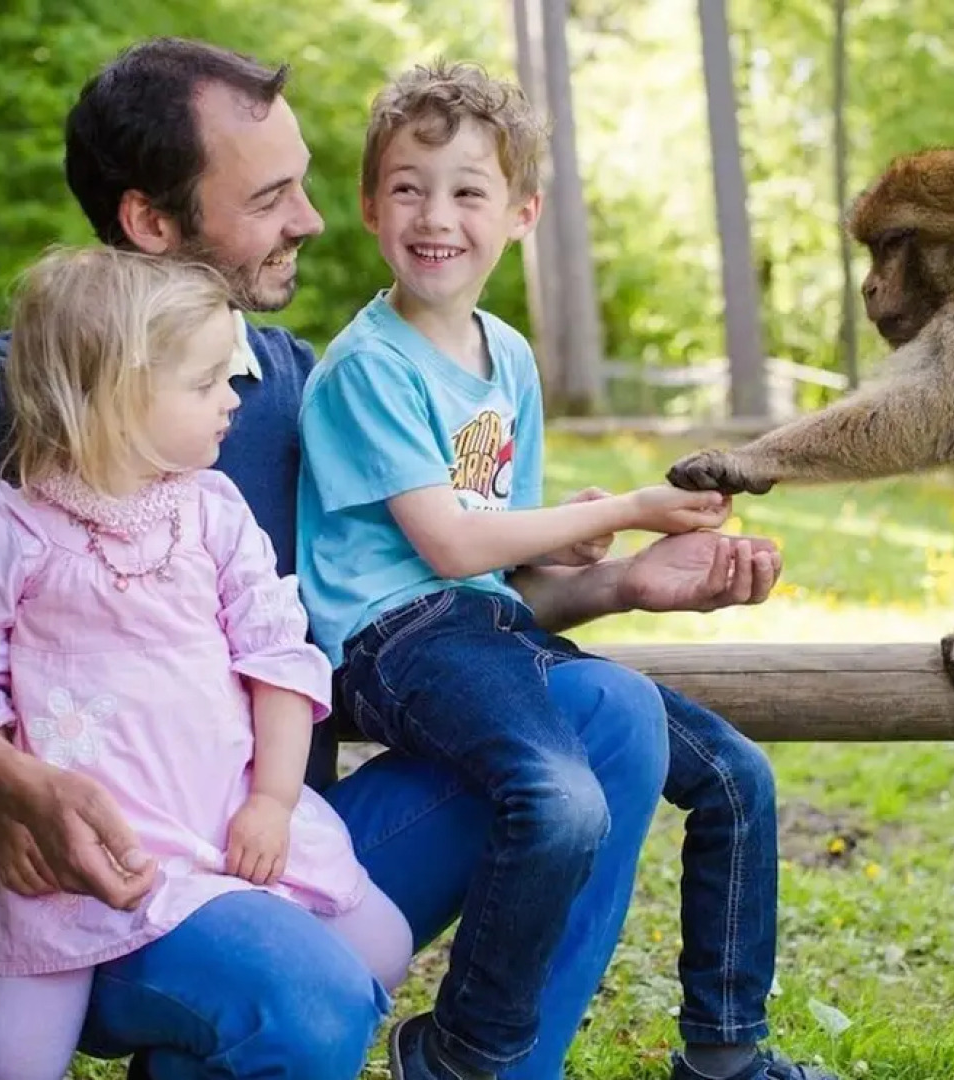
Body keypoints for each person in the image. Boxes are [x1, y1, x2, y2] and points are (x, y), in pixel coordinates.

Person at [0, 37, 782, 1078]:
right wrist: (10, 782)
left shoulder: (297, 385)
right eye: (271, 197)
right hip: (116, 871)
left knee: (610, 716)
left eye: (302, 185)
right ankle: (241, 1010)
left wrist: (615, 585)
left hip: (277, 838)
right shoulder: (30, 392)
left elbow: (414, 614)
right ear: (151, 221)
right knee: (311, 1001)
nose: (310, 218)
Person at [300, 61, 836, 1080]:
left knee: (736, 778)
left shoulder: (505, 357)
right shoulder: (369, 366)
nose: (435, 216)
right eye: (408, 187)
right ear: (369, 205)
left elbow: (497, 571)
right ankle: (462, 1052)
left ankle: (726, 1054)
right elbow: (452, 548)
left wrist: (616, 571)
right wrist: (623, 509)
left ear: (521, 213)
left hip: (484, 629)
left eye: (468, 191)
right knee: (560, 800)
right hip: (391, 641)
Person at [0, 247, 414, 1080]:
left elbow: (278, 658)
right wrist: (9, 804)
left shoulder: (211, 513)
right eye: (205, 382)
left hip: (225, 813)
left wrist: (271, 801)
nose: (233, 398)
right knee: (16, 1060)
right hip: (86, 850)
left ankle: (193, 1047)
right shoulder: (6, 531)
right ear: (117, 395)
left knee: (384, 946)